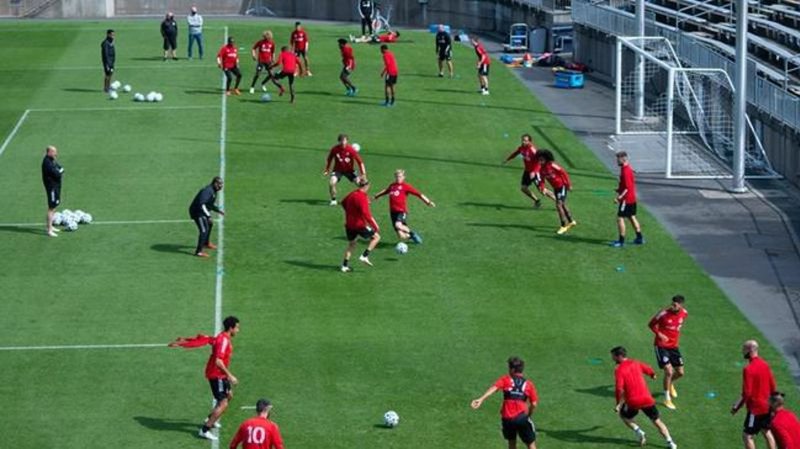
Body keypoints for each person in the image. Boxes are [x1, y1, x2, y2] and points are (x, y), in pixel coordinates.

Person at [168, 316, 241, 441]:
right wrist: (230, 375)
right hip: (216, 374)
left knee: (229, 395)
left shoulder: (222, 337)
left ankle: (210, 418)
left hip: (219, 374)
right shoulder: (223, 340)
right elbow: (218, 361)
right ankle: (205, 430)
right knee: (223, 403)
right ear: (231, 328)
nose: (238, 330)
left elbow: (208, 340)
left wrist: (185, 340)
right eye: (237, 328)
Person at [611, 346, 678, 449]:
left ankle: (639, 432)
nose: (612, 358)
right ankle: (671, 443)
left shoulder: (619, 370)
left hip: (633, 402)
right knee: (657, 421)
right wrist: (652, 374)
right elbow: (647, 368)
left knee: (624, 416)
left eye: (613, 356)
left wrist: (618, 404)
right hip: (647, 399)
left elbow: (619, 389)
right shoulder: (635, 362)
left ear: (619, 356)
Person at [470, 356, 539, 449]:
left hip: (507, 418)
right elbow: (534, 404)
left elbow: (494, 388)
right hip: (522, 418)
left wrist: (481, 399)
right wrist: (529, 414)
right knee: (530, 444)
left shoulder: (505, 379)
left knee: (511, 443)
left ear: (512, 370)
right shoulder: (529, 384)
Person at [731, 340, 778, 449]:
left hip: (755, 409)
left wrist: (736, 406)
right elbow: (773, 386)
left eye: (744, 349)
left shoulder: (748, 369)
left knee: (747, 436)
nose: (742, 351)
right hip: (767, 406)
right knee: (766, 431)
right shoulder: (765, 365)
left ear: (750, 350)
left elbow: (746, 393)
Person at [373, 169, 435, 244]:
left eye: (400, 176)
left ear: (403, 177)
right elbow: (386, 191)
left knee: (398, 225)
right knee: (401, 236)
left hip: (401, 211)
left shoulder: (405, 186)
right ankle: (412, 237)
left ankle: (413, 234)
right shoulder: (392, 186)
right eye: (397, 177)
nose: (398, 178)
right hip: (393, 212)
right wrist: (376, 196)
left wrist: (428, 202)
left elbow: (418, 194)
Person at [648, 295, 688, 410]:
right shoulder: (663, 314)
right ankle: (667, 399)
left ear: (681, 305)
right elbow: (651, 324)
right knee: (669, 372)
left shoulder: (684, 313)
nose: (672, 306)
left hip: (674, 347)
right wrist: (659, 334)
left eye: (675, 305)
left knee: (680, 372)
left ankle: (670, 384)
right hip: (661, 346)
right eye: (672, 303)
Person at [340, 178, 381, 272]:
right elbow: (366, 214)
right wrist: (375, 226)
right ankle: (364, 256)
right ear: (367, 186)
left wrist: (350, 213)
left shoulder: (353, 193)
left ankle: (344, 266)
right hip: (359, 225)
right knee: (376, 237)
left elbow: (343, 202)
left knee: (352, 244)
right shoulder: (362, 197)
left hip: (349, 225)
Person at [537, 149, 576, 234]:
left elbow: (564, 173)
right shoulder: (541, 169)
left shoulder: (553, 165)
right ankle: (571, 221)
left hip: (562, 186)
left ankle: (563, 226)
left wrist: (568, 185)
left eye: (542, 160)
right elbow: (542, 180)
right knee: (563, 204)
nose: (540, 161)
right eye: (539, 160)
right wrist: (542, 188)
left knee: (558, 204)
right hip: (556, 188)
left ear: (546, 159)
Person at [610, 151, 644, 247]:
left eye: (618, 159)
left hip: (626, 199)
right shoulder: (626, 169)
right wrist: (619, 189)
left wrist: (619, 198)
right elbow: (626, 186)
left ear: (623, 159)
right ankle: (639, 238)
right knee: (631, 216)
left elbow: (627, 188)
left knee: (620, 218)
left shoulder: (625, 171)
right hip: (631, 198)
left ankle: (621, 241)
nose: (617, 161)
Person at [323, 134, 366, 206]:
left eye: (344, 141)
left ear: (347, 141)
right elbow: (329, 159)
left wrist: (363, 174)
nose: (343, 142)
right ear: (339, 141)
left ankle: (362, 200)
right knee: (331, 183)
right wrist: (327, 169)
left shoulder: (351, 150)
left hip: (349, 171)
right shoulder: (335, 149)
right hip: (337, 170)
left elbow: (360, 162)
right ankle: (333, 200)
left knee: (361, 185)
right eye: (341, 141)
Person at [502, 134, 542, 208]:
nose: (523, 142)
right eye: (523, 140)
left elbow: (539, 162)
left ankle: (558, 201)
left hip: (535, 172)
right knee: (523, 188)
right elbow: (515, 153)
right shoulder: (522, 148)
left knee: (542, 190)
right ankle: (537, 201)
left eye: (525, 141)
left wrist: (534, 172)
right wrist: (507, 159)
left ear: (530, 141)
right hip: (527, 171)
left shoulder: (533, 150)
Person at [189, 177, 224, 258]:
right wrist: (208, 216)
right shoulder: (208, 191)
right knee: (204, 230)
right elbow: (202, 204)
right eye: (219, 184)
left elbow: (209, 204)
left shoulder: (214, 191)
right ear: (215, 183)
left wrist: (218, 210)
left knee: (209, 224)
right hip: (197, 212)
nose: (221, 186)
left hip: (201, 211)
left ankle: (206, 243)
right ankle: (198, 252)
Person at [42, 145, 64, 238]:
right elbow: (58, 174)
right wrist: (60, 171)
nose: (56, 153)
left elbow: (61, 168)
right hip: (52, 188)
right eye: (54, 152)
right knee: (51, 207)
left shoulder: (52, 160)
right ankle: (49, 230)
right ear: (49, 152)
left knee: (54, 206)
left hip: (56, 186)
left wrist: (60, 171)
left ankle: (51, 226)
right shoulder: (47, 163)